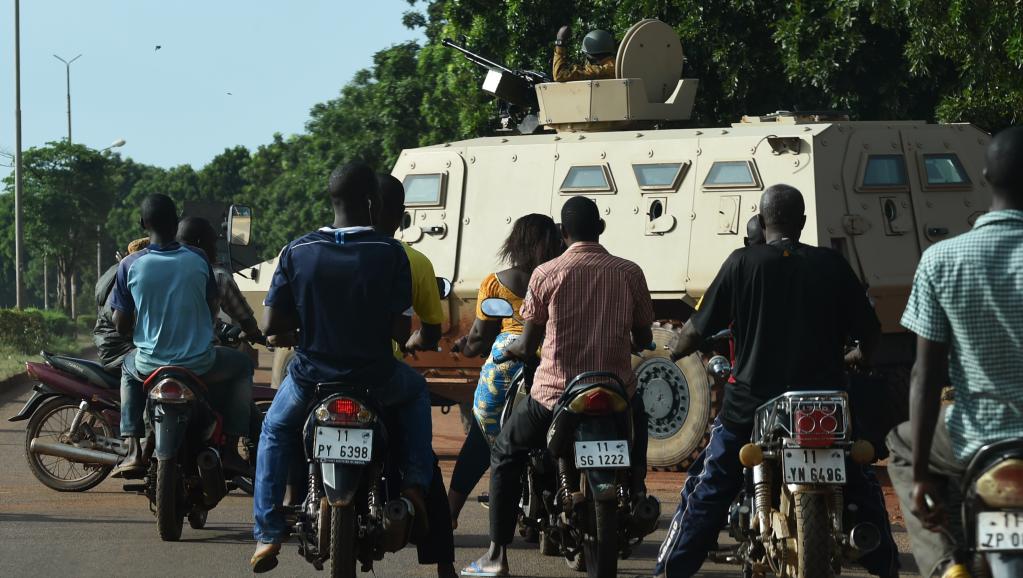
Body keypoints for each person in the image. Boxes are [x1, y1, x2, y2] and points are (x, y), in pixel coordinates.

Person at [654, 184, 898, 578]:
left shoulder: (741, 263)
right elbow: (871, 332)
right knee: (861, 482)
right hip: (825, 405)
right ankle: (885, 564)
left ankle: (671, 570)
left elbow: (696, 331)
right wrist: (856, 358)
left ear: (762, 219)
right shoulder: (832, 264)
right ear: (802, 222)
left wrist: (674, 351)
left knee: (709, 486)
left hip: (751, 405)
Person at [251, 162, 433, 573]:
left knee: (275, 431)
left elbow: (270, 325)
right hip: (376, 377)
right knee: (417, 392)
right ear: (373, 203)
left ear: (330, 200)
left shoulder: (297, 251)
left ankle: (266, 533)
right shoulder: (390, 253)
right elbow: (402, 330)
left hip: (311, 379)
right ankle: (415, 486)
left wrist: (305, 326)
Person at [462, 196, 653, 577]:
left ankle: (497, 555)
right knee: (638, 420)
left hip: (555, 395)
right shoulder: (630, 272)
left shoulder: (546, 274)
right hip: (616, 392)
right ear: (600, 228)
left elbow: (528, 342)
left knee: (505, 451)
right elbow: (645, 334)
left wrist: (513, 348)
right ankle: (637, 487)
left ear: (563, 234)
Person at [887, 126, 1023, 578]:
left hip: (975, 439)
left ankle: (948, 563)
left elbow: (925, 376)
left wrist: (923, 473)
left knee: (901, 444)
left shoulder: (941, 260)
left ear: (984, 175)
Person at [109, 194, 255, 480]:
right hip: (200, 363)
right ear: (175, 222)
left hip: (150, 364)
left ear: (142, 224)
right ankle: (232, 451)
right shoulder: (199, 258)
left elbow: (121, 326)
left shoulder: (130, 265)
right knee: (243, 367)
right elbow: (211, 305)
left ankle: (133, 449)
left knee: (128, 368)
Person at [447, 214, 562, 527]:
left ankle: (450, 514)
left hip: (510, 364)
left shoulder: (496, 283)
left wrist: (467, 347)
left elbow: (479, 338)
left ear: (515, 243)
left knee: (481, 434)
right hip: (554, 365)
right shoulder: (560, 277)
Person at [376, 173, 457, 578]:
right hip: (385, 376)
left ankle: (277, 510)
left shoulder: (316, 250)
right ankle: (443, 562)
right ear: (401, 215)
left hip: (325, 377)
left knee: (278, 431)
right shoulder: (413, 260)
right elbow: (429, 328)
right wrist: (412, 343)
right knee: (420, 456)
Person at [176, 216, 262, 340]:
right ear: (200, 244)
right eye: (213, 243)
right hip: (200, 354)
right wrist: (252, 332)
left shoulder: (155, 270)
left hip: (151, 353)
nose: (216, 249)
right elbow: (247, 321)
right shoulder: (218, 276)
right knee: (244, 359)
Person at [93, 237, 149, 370]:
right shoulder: (127, 277)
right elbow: (124, 325)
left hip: (108, 345)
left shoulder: (115, 273)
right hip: (119, 349)